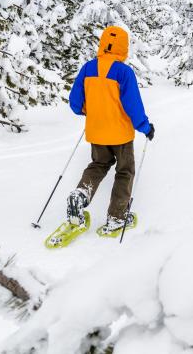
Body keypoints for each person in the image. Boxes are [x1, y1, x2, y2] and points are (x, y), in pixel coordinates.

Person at [67, 26, 155, 235]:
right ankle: (116, 217)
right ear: (123, 46)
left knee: (98, 164)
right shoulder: (123, 71)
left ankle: (80, 194)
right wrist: (145, 127)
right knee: (124, 171)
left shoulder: (88, 68)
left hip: (96, 132)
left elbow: (75, 104)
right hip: (121, 135)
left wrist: (93, 110)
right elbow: (133, 105)